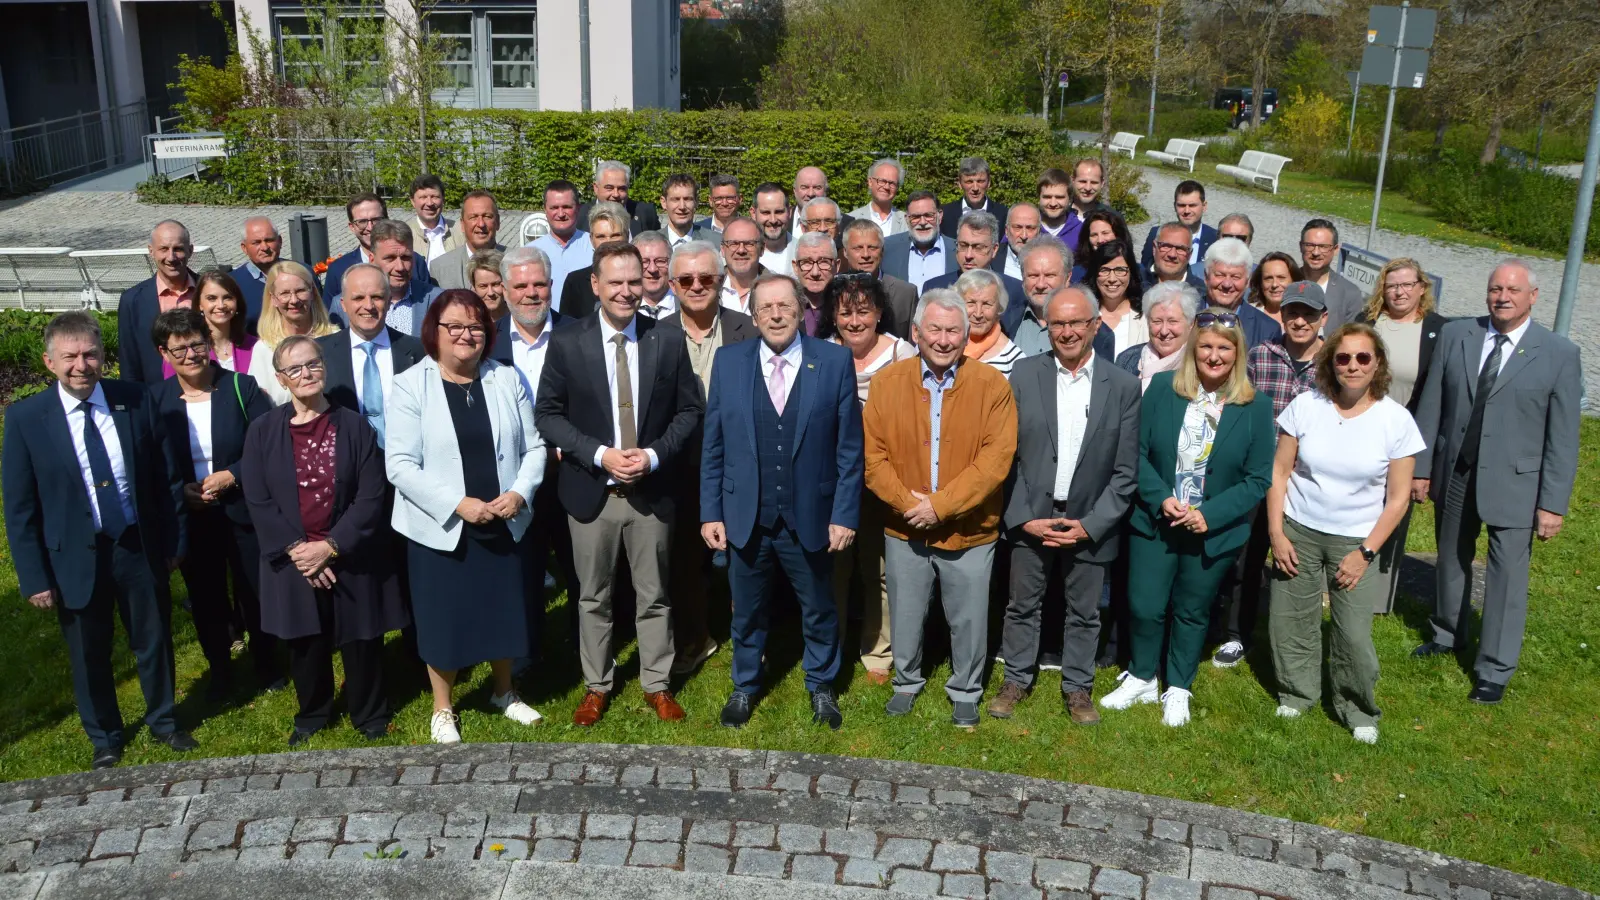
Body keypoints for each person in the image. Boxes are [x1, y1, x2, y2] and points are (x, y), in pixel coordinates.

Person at [3, 312, 195, 769]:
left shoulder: (136, 400)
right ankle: (105, 736)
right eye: (69, 357)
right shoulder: (27, 418)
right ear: (50, 362)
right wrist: (33, 577)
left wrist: (174, 541)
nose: (81, 365)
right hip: (74, 554)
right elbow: (20, 507)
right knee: (89, 651)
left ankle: (164, 721)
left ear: (103, 357)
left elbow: (167, 479)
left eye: (90, 354)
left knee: (152, 639)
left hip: (135, 543)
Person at [534, 241, 704, 726]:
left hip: (651, 493)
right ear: (595, 285)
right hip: (592, 491)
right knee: (593, 596)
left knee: (655, 594)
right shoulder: (568, 342)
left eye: (635, 281)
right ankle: (597, 684)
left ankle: (657, 683)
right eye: (616, 282)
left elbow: (690, 409)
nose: (627, 291)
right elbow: (547, 413)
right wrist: (599, 453)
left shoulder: (666, 339)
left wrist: (652, 456)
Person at [1411, 260, 1581, 705]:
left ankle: (1494, 669)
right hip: (1456, 472)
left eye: (1512, 289)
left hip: (1516, 484)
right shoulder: (1457, 335)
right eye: (1495, 288)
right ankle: (1448, 634)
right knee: (1451, 557)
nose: (1501, 297)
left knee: (1506, 576)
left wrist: (1553, 504)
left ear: (1532, 296)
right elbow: (1432, 406)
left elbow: (1563, 438)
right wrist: (1423, 468)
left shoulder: (1558, 353)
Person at [701, 274, 862, 729]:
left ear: (800, 311)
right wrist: (711, 511)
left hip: (810, 513)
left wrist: (844, 514)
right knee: (747, 609)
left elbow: (850, 449)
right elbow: (713, 446)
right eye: (766, 307)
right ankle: (745, 685)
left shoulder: (833, 362)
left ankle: (822, 685)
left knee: (819, 608)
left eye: (785, 307)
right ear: (753, 315)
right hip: (744, 514)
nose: (775, 315)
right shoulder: (730, 363)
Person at [1099, 309, 1273, 727]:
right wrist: (1160, 498)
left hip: (1209, 531)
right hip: (1157, 522)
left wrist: (1209, 515)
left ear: (1237, 355)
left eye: (1224, 349)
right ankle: (1142, 676)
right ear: (1194, 350)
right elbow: (1134, 453)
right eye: (1206, 347)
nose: (1214, 356)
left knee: (1192, 611)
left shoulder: (1256, 406)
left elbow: (1257, 478)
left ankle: (1178, 686)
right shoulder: (1162, 388)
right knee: (1144, 605)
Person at [387, 290, 547, 743]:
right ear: (433, 333)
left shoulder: (505, 378)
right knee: (444, 618)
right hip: (441, 525)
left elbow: (533, 446)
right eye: (454, 326)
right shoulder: (409, 384)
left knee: (502, 610)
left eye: (476, 326)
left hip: (502, 516)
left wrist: (519, 492)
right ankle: (442, 708)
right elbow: (399, 463)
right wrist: (457, 503)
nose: (466, 335)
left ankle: (503, 691)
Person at [242, 336, 407, 745]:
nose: (306, 374)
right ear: (281, 378)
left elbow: (371, 495)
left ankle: (370, 712)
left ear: (324, 367)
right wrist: (299, 551)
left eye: (312, 364)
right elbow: (257, 496)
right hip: (294, 556)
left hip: (348, 552)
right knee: (305, 641)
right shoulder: (263, 431)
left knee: (362, 638)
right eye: (294, 369)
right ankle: (313, 712)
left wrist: (331, 547)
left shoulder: (354, 425)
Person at [863, 289, 1018, 727]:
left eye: (954, 330)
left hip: (970, 527)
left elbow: (995, 460)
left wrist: (940, 507)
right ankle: (906, 682)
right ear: (916, 332)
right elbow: (873, 458)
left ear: (966, 335)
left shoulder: (992, 387)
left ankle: (966, 690)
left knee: (969, 618)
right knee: (906, 614)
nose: (944, 339)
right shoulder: (887, 384)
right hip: (904, 525)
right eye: (935, 329)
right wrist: (907, 505)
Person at [1268, 323, 1424, 743]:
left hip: (1356, 540)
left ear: (1378, 364)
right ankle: (1297, 693)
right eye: (1343, 357)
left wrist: (1365, 553)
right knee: (1291, 621)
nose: (1352, 365)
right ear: (1330, 362)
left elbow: (1397, 500)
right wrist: (1276, 533)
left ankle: (1357, 707)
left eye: (1362, 358)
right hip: (1298, 528)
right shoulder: (1306, 405)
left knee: (1352, 632)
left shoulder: (1397, 420)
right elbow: (1279, 473)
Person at [991, 287, 1140, 724]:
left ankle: (1078, 688)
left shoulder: (1124, 387)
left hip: (1089, 519)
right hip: (1032, 515)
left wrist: (1092, 525)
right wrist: (1022, 518)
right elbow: (1005, 457)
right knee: (1021, 604)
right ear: (1047, 327)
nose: (1067, 331)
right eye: (1058, 323)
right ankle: (1016, 678)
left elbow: (1125, 472)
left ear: (1096, 325)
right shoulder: (1022, 375)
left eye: (1077, 322)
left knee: (1085, 611)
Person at [152, 308, 279, 701]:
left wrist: (232, 475)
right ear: (164, 353)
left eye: (197, 344)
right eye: (180, 349)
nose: (190, 354)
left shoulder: (242, 387)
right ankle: (220, 671)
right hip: (193, 514)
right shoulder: (155, 401)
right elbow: (152, 461)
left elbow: (268, 446)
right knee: (206, 597)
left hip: (242, 509)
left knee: (253, 590)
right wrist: (182, 491)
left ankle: (268, 664)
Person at [1213, 281, 1328, 669]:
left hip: (1305, 480)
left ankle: (1290, 635)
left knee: (1294, 560)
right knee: (1245, 556)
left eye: (1308, 315)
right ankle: (1235, 632)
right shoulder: (1261, 356)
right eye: (1293, 313)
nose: (1299, 321)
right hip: (1258, 473)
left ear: (1322, 319)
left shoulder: (1333, 363)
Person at [661, 240, 758, 676]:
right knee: (683, 562)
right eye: (686, 279)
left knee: (746, 559)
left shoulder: (748, 329)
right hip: (679, 467)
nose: (696, 285)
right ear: (671, 284)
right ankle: (696, 638)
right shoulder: (654, 335)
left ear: (722, 281)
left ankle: (751, 641)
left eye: (706, 278)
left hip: (738, 463)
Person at [820, 273, 916, 686]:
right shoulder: (820, 353)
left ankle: (878, 653)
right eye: (845, 313)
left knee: (879, 570)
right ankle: (829, 649)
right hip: (832, 481)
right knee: (832, 569)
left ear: (879, 313)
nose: (854, 321)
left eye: (863, 311)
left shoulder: (902, 354)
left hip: (885, 480)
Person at [489, 246, 579, 667]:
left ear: (551, 286)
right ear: (504, 290)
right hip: (513, 478)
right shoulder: (485, 343)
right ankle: (525, 657)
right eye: (520, 286)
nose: (530, 294)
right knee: (521, 571)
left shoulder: (581, 333)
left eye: (539, 284)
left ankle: (587, 652)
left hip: (572, 473)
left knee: (581, 570)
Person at [1356, 257, 1450, 614]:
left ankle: (1378, 598)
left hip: (1405, 437)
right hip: (1363, 429)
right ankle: (1339, 581)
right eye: (1392, 285)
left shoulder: (1437, 330)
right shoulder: (1367, 324)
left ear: (1421, 288)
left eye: (1407, 285)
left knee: (1394, 511)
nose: (1398, 291)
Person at [317, 263, 427, 447]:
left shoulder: (418, 350)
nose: (368, 306)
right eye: (358, 298)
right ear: (343, 304)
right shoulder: (321, 353)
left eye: (376, 297)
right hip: (345, 463)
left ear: (389, 300)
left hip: (405, 461)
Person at [248, 260, 341, 406]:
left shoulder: (336, 338)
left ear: (312, 293)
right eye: (284, 293)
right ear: (273, 299)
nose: (294, 300)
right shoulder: (264, 348)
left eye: (300, 291)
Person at [922, 211, 1027, 338]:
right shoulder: (934, 288)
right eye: (963, 245)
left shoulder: (1014, 290)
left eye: (978, 247)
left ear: (994, 250)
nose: (968, 255)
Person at [118, 220, 196, 384]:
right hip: (156, 398)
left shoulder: (209, 292)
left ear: (190, 250)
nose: (171, 257)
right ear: (151, 251)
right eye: (164, 249)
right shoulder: (132, 301)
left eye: (178, 249)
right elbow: (129, 362)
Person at [323, 193, 433, 305]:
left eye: (376, 220)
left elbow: (428, 302)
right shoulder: (337, 270)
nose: (370, 227)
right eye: (362, 222)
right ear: (352, 227)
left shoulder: (416, 262)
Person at [165, 269, 257, 378]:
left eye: (228, 297)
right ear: (200, 304)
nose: (221, 305)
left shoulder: (256, 346)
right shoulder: (181, 350)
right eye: (212, 298)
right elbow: (171, 390)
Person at [361, 220, 443, 337]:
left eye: (405, 258)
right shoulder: (347, 305)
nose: (400, 267)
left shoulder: (438, 300)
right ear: (372, 260)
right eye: (390, 258)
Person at [839, 219, 918, 338]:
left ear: (882, 250)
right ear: (845, 252)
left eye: (872, 247)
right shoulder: (835, 291)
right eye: (858, 248)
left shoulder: (906, 293)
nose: (866, 255)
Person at [1114, 281, 1198, 393]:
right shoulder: (1127, 360)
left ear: (1191, 323)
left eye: (1172, 321)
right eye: (1157, 321)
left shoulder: (1199, 362)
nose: (1164, 331)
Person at [557, 201, 632, 320]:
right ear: (591, 239)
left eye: (615, 235)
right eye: (601, 236)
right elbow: (566, 330)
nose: (608, 242)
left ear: (627, 236)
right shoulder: (575, 282)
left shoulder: (641, 279)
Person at [1201, 238, 1282, 349]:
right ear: (1206, 277)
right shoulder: (1184, 316)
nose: (1227, 284)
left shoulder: (1267, 330)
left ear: (1247, 281)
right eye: (1220, 275)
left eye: (1235, 277)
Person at [531, 179, 595, 302]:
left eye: (566, 207)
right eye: (554, 207)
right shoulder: (530, 251)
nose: (560, 214)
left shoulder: (594, 245)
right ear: (545, 209)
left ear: (578, 208)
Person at [881, 191, 957, 292]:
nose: (922, 222)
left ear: (940, 216)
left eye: (928, 215)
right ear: (907, 219)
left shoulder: (958, 250)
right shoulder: (887, 248)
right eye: (915, 217)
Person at [956, 268, 1025, 378]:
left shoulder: (1013, 359)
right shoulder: (942, 347)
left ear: (999, 308)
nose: (978, 314)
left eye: (987, 304)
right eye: (971, 303)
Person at [1083, 240, 1147, 358]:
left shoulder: (1146, 317)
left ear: (1131, 273)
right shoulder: (1083, 314)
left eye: (1120, 270)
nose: (1112, 278)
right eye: (1104, 270)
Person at [1298, 219, 1365, 330]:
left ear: (1335, 249)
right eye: (1309, 245)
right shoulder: (1286, 283)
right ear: (1301, 246)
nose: (1316, 252)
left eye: (1323, 247)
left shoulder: (1350, 294)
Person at [433, 190, 506, 291]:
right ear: (462, 225)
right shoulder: (439, 268)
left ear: (497, 222)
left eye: (487, 216)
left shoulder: (517, 263)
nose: (481, 224)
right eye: (473, 217)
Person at [1139, 180, 1217, 273]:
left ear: (1204, 206)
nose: (1187, 211)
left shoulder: (1215, 238)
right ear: (1175, 206)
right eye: (1181, 205)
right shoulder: (1156, 233)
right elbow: (1145, 271)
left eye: (1192, 205)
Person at [1014, 236, 1072, 357]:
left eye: (1049, 275)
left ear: (1067, 278)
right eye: (1033, 276)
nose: (1040, 284)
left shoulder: (1087, 326)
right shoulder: (1007, 322)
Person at [578, 159, 661, 235]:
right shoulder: (579, 215)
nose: (616, 194)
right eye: (609, 188)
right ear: (596, 188)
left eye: (622, 189)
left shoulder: (645, 213)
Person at [231, 215, 282, 330]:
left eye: (269, 240)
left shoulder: (301, 274)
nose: (264, 247)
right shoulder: (232, 283)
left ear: (280, 241)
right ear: (244, 248)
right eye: (256, 242)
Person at [940, 156, 1007, 238]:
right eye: (969, 182)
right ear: (960, 184)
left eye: (980, 181)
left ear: (989, 182)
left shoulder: (1003, 214)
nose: (975, 188)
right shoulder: (945, 215)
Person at [1070, 208, 1137, 285]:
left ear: (1118, 235)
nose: (1100, 240)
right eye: (1094, 235)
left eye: (1105, 233)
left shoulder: (1137, 270)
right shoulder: (1078, 273)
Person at [791, 232, 838, 337]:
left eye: (824, 262)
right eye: (806, 263)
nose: (815, 273)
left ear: (837, 266)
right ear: (795, 267)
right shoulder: (784, 307)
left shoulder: (846, 306)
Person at [407, 173, 462, 262]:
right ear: (413, 201)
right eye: (423, 197)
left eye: (435, 197)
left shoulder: (459, 230)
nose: (429, 203)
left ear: (443, 200)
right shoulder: (404, 234)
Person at [718, 217, 767, 316]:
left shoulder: (778, 289)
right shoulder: (708, 289)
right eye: (733, 243)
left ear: (762, 249)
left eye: (749, 243)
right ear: (723, 250)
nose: (741, 250)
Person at [1144, 222, 1209, 294]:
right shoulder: (1135, 283)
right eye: (1166, 246)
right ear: (1154, 248)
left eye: (1180, 248)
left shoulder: (1202, 294)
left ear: (1190, 254)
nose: (1172, 255)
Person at [850, 158, 907, 237]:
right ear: (870, 182)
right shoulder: (852, 219)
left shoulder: (906, 221)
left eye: (892, 183)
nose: (886, 187)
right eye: (882, 181)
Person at [1060, 159, 1110, 250]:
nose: (1088, 188)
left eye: (1094, 182)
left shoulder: (1112, 217)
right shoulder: (1059, 213)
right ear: (1073, 180)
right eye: (1083, 181)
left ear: (1102, 183)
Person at [1248, 252, 1302, 327]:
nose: (1274, 284)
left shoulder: (1306, 316)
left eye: (1281, 278)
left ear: (1294, 281)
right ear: (1260, 283)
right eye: (1268, 278)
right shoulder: (1247, 314)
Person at [633, 232, 677, 320]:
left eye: (660, 261)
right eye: (644, 262)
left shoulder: (687, 304)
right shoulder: (616, 307)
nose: (652, 269)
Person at [752, 182, 794, 273]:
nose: (773, 220)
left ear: (789, 212)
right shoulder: (740, 254)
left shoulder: (803, 251)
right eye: (766, 212)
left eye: (779, 212)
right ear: (753, 213)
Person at [660, 174, 713, 247]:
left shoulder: (715, 242)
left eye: (687, 199)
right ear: (664, 203)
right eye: (676, 199)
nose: (682, 207)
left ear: (696, 202)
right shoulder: (649, 244)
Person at [1000, 203, 1041, 280]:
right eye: (1017, 227)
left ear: (1039, 231)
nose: (1024, 236)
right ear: (1006, 231)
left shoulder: (1051, 260)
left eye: (1030, 228)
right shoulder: (992, 258)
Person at [467, 249, 509, 321]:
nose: (490, 293)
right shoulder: (468, 321)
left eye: (495, 284)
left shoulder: (518, 318)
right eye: (483, 286)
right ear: (474, 288)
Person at [1035, 167, 1074, 243]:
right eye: (1047, 197)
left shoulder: (1081, 231)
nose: (1053, 203)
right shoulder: (1026, 227)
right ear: (1039, 198)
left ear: (1070, 199)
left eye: (1059, 197)